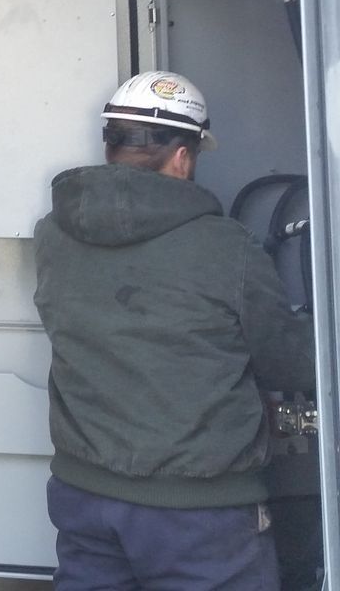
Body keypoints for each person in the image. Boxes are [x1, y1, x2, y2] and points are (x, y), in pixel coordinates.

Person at [33, 71, 316, 590]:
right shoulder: (225, 246)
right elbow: (289, 362)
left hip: (83, 496)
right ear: (184, 157)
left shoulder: (52, 234)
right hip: (199, 512)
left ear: (112, 144)